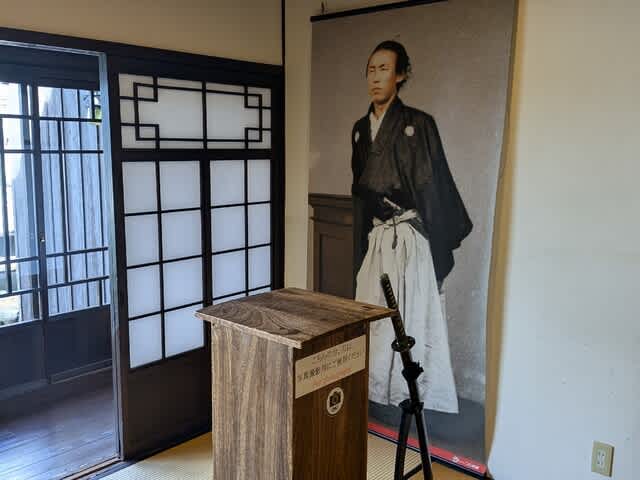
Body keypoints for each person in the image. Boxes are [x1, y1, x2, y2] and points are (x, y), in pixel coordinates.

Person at [352, 40, 472, 414]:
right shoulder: (360, 129)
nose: (376, 78)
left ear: (401, 75)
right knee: (375, 314)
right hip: (378, 236)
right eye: (371, 70)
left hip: (409, 236)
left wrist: (436, 247)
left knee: (413, 315)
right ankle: (376, 393)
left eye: (385, 69)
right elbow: (359, 194)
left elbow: (435, 188)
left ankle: (412, 395)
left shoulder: (418, 125)